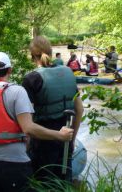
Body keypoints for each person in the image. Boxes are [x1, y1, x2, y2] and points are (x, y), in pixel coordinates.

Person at [0, 51, 73, 192]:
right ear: (10, 70)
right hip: (14, 164)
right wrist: (59, 135)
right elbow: (29, 128)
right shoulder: (17, 92)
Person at [22, 36, 84, 182]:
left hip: (42, 141)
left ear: (32, 56)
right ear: (50, 53)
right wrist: (71, 140)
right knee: (63, 183)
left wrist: (27, 145)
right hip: (66, 136)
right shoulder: (68, 73)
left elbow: (28, 123)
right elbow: (79, 110)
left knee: (42, 183)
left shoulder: (31, 79)